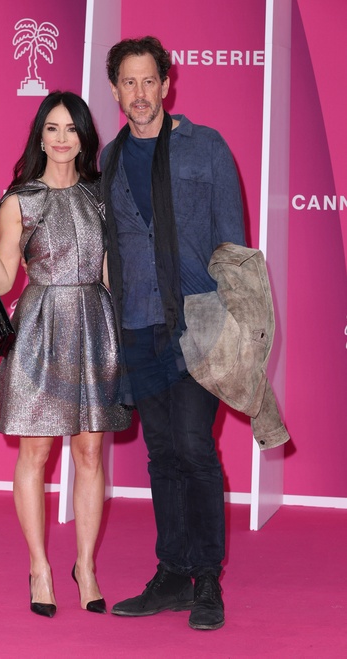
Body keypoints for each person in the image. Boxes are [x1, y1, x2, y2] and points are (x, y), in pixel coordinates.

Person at [0, 91, 131, 618]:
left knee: (89, 454)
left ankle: (86, 566)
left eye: (72, 129)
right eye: (53, 128)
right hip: (39, 329)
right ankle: (39, 567)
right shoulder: (21, 200)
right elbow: (1, 282)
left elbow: (110, 274)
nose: (62, 139)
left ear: (85, 137)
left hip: (94, 326)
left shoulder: (101, 194)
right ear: (40, 136)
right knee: (35, 454)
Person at [100, 36, 246, 631]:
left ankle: (206, 576)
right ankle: (172, 573)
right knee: (161, 454)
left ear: (166, 84)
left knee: (194, 447)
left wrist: (237, 324)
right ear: (116, 90)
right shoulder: (109, 157)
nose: (139, 93)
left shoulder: (206, 147)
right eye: (128, 82)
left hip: (198, 320)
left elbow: (234, 246)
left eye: (148, 80)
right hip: (138, 323)